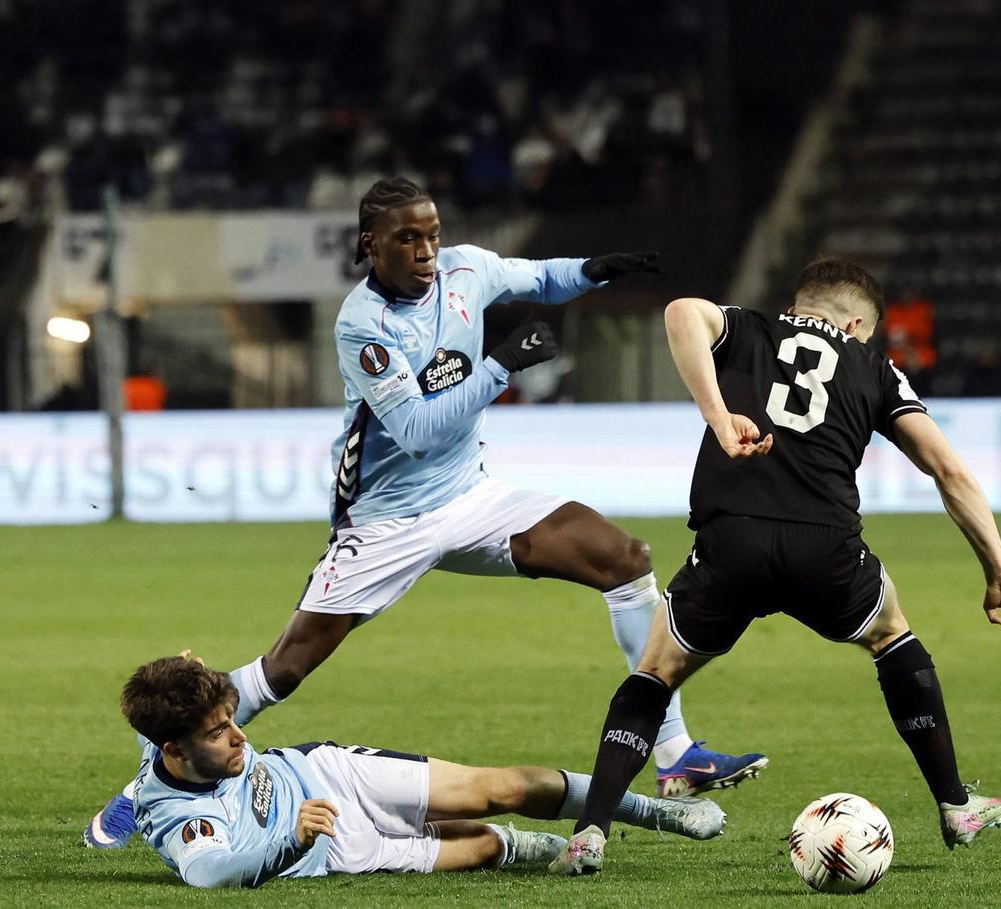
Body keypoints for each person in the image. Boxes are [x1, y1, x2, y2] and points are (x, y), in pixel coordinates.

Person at [84, 177, 765, 848]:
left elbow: (537, 276)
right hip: (386, 520)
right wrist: (500, 366)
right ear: (369, 245)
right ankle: (148, 779)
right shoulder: (363, 324)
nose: (425, 250)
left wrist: (593, 270)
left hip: (470, 497)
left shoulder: (467, 270)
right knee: (282, 670)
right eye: (406, 238)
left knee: (626, 560)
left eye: (431, 235)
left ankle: (674, 751)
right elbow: (416, 428)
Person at [549, 258, 1001, 875]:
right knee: (892, 637)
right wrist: (1000, 570)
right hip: (826, 546)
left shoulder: (749, 329)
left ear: (798, 306)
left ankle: (591, 832)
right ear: (859, 322)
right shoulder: (876, 368)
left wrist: (717, 414)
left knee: (655, 674)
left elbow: (680, 312)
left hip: (732, 540)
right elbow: (950, 472)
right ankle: (954, 804)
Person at [120, 653, 728, 887]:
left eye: (231, 719)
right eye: (218, 732)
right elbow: (210, 876)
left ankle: (653, 810)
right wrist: (293, 836)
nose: (239, 735)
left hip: (330, 776)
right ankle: (541, 849)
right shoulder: (175, 815)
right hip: (333, 850)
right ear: (173, 751)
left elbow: (192, 694)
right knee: (486, 848)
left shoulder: (179, 730)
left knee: (501, 788)